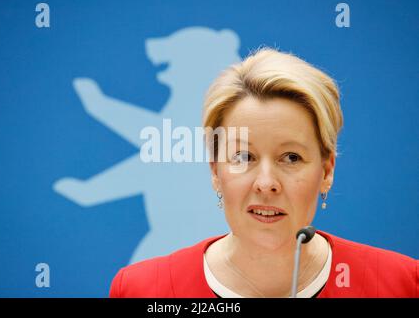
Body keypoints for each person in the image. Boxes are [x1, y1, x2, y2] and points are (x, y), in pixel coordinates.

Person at [109, 47, 418, 298]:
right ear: (216, 171)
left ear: (326, 171)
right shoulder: (142, 290)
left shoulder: (403, 284)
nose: (267, 183)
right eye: (244, 156)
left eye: (292, 157)